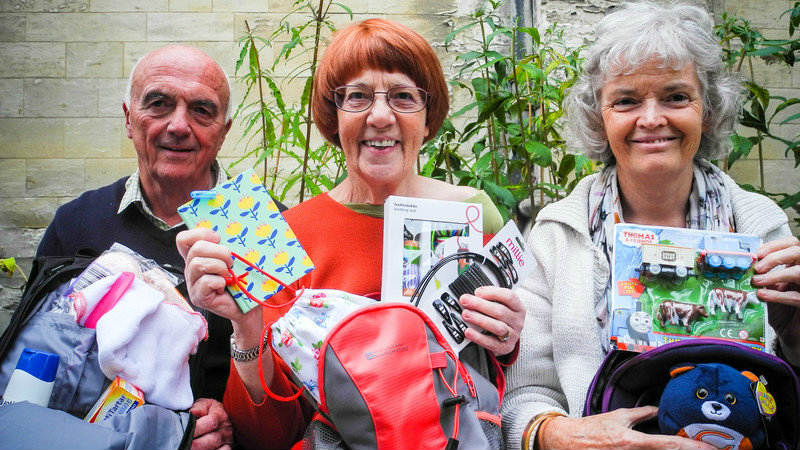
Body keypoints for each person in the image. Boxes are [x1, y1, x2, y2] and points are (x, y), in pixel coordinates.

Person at [177, 18, 526, 450]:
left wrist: (510, 343)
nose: (380, 116)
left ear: (427, 113)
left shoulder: (473, 213)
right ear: (334, 114)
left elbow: (514, 388)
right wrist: (247, 329)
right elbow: (269, 437)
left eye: (402, 96)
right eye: (357, 97)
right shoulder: (290, 234)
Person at [501, 3, 800, 450]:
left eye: (676, 96)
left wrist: (795, 333)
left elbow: (787, 389)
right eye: (626, 100)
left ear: (709, 110)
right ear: (599, 116)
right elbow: (525, 393)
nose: (652, 118)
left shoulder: (758, 224)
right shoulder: (558, 233)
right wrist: (563, 435)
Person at [36, 45, 236, 450]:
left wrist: (237, 416)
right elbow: (35, 375)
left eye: (201, 109)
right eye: (159, 104)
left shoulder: (269, 231)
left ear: (224, 130)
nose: (179, 125)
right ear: (129, 118)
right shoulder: (76, 224)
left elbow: (290, 382)